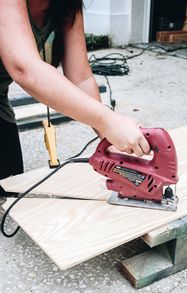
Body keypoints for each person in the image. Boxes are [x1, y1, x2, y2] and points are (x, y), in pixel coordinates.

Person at [0, 0, 150, 195]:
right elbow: (24, 68)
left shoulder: (67, 5)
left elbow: (81, 78)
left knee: (9, 184)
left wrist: (111, 137)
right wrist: (107, 121)